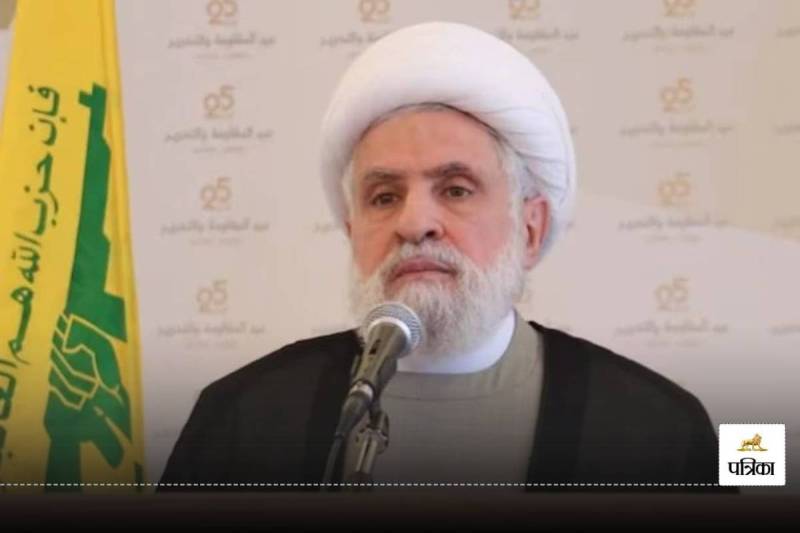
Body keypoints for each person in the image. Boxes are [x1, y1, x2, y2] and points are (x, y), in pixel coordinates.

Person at [159, 22, 727, 491]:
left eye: (455, 189)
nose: (414, 223)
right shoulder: (243, 418)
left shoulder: (660, 429)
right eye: (385, 197)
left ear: (530, 229)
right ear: (353, 232)